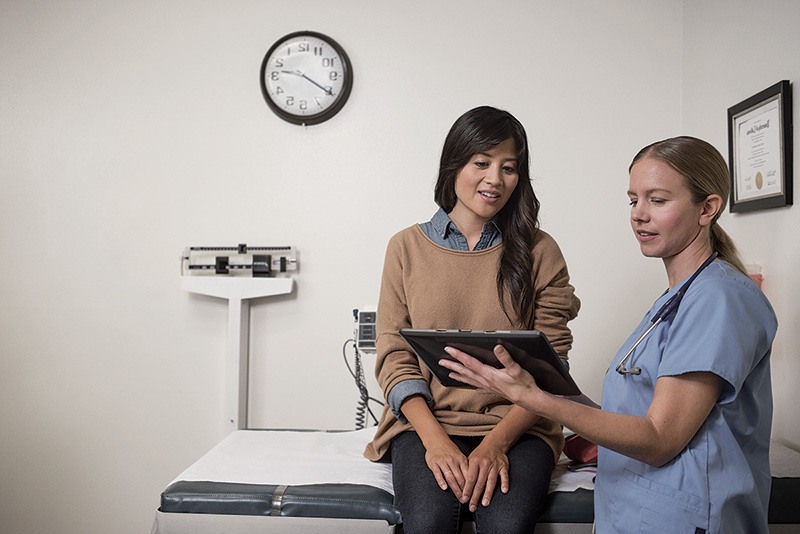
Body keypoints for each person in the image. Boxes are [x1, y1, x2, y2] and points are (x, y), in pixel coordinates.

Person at [441, 136, 778, 534]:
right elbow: (630, 418)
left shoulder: (718, 300)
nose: (639, 215)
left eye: (658, 200)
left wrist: (533, 399)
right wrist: (545, 387)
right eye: (633, 200)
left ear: (707, 208)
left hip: (683, 519)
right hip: (633, 513)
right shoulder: (679, 298)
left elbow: (658, 438)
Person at [363, 106, 581, 533]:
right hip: (426, 422)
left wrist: (495, 444)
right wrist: (435, 441)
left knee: (507, 525)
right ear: (454, 165)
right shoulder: (405, 248)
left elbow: (550, 365)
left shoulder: (540, 250)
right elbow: (394, 356)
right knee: (426, 522)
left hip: (521, 424)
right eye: (481, 163)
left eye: (509, 167)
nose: (495, 179)